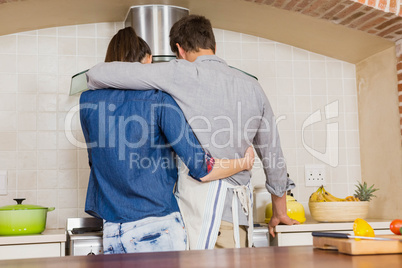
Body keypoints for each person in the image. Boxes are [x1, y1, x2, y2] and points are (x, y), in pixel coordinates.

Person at [86, 16, 299, 249]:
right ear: (214, 46)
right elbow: (273, 154)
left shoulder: (179, 73)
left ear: (179, 50)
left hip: (201, 215)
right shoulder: (253, 87)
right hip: (239, 217)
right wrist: (279, 210)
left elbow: (98, 74)